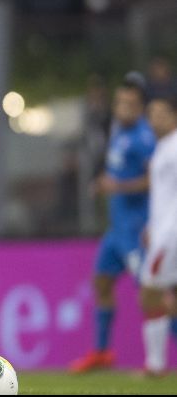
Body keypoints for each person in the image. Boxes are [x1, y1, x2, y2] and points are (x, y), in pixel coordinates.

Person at [70, 74, 155, 373]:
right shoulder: (118, 130)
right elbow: (117, 170)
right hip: (116, 229)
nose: (123, 108)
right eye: (120, 102)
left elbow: (155, 180)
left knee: (152, 295)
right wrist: (102, 182)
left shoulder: (145, 138)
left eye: (130, 104)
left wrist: (117, 186)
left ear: (141, 107)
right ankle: (102, 352)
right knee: (102, 282)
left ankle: (156, 358)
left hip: (136, 229)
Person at [139, 95, 177, 376]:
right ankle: (155, 364)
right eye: (151, 114)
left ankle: (155, 365)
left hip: (171, 234)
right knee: (160, 294)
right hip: (162, 230)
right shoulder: (163, 148)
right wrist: (152, 225)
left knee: (150, 291)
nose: (154, 120)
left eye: (161, 113)